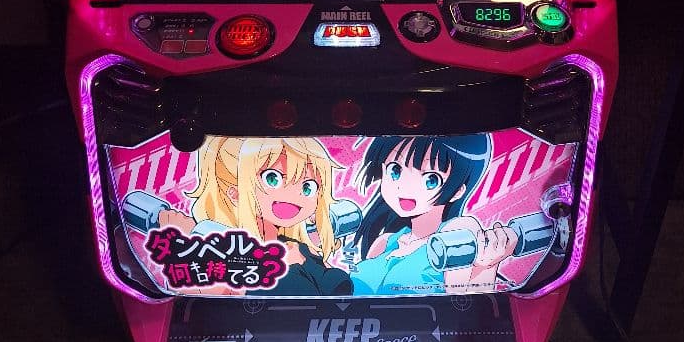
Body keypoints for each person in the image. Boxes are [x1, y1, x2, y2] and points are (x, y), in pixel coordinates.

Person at [159, 136, 352, 295]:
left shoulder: (302, 249)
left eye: (308, 187)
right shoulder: (226, 258)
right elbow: (190, 299)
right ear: (234, 193)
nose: (294, 195)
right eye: (272, 179)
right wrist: (180, 245)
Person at [350, 134, 517, 295]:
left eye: (431, 180)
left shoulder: (457, 233)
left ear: (457, 191)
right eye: (395, 170)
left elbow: (466, 303)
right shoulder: (384, 243)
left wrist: (485, 267)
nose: (406, 186)